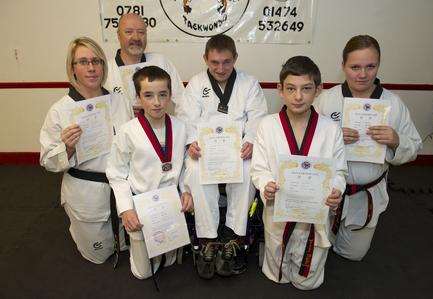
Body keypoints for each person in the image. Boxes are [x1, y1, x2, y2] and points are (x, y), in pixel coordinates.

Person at [314, 35, 422, 261]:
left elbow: (414, 147)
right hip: (328, 192)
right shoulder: (326, 100)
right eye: (355, 67)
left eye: (370, 66)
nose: (362, 74)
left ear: (378, 65)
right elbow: (303, 142)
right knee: (319, 247)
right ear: (343, 66)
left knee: (352, 255)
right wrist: (330, 137)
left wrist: (396, 140)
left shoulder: (393, 104)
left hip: (366, 194)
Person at [250, 56, 347, 290]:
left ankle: (307, 273)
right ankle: (274, 263)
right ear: (280, 90)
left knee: (307, 282)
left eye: (306, 89)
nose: (298, 96)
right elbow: (259, 168)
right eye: (291, 89)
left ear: (318, 90)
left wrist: (336, 190)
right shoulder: (267, 125)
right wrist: (266, 185)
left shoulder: (330, 129)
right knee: (277, 273)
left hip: (315, 212)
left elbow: (340, 170)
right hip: (278, 210)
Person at [177, 34, 267, 278]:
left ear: (235, 58)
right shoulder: (196, 84)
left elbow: (258, 116)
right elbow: (186, 118)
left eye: (226, 62)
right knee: (195, 171)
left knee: (248, 169)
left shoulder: (249, 83)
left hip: (237, 150)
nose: (220, 68)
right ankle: (207, 237)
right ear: (205, 59)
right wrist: (191, 143)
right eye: (214, 62)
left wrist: (250, 141)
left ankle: (235, 236)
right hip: (206, 150)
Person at [39, 37, 132, 264]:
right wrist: (68, 147)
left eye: (96, 61)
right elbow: (48, 161)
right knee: (98, 255)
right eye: (83, 62)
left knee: (127, 245)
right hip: (87, 193)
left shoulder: (120, 101)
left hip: (122, 188)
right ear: (73, 68)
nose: (91, 68)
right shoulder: (60, 110)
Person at [106, 66, 193, 279]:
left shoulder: (181, 127)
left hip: (171, 202)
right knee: (143, 273)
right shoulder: (128, 131)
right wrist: (126, 209)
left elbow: (184, 167)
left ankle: (168, 252)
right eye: (148, 95)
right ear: (137, 97)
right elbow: (116, 173)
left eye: (163, 95)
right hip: (141, 204)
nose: (157, 102)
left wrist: (187, 191)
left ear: (170, 96)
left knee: (171, 262)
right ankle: (138, 249)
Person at [104, 13, 184, 114]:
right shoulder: (105, 71)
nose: (136, 37)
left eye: (141, 32)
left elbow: (181, 102)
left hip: (159, 127)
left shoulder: (160, 62)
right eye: (129, 32)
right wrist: (125, 111)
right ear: (119, 36)